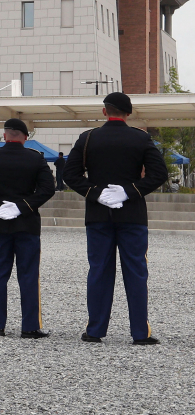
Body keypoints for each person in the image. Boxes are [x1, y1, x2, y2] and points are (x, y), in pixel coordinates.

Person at [64, 92, 167, 345]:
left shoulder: (88, 139)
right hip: (132, 214)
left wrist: (96, 193)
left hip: (99, 214)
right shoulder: (141, 138)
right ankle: (140, 334)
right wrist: (130, 191)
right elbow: (158, 174)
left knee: (99, 271)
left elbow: (71, 174)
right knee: (136, 272)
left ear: (104, 111)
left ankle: (95, 330)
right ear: (128, 113)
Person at [0, 118, 55, 338]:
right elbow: (47, 189)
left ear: (4, 135)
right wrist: (22, 207)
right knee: (28, 276)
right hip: (27, 224)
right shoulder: (36, 159)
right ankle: (30, 327)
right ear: (26, 137)